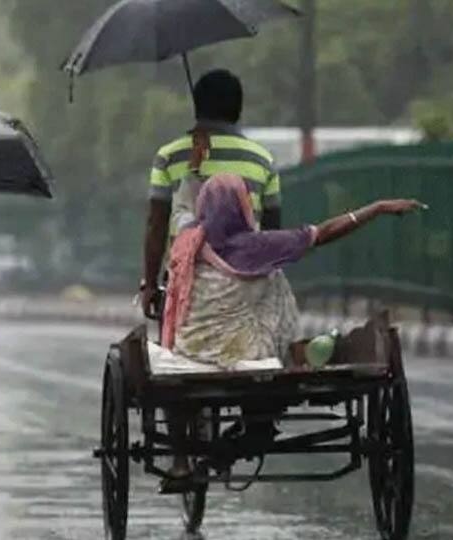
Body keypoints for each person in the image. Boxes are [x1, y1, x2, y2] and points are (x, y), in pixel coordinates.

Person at [157, 173, 423, 491]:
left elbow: (182, 211)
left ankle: (181, 461)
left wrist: (193, 172)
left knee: (167, 379)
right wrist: (377, 207)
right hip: (252, 355)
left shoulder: (188, 240)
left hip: (194, 353)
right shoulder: (262, 245)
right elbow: (324, 232)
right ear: (244, 207)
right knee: (274, 282)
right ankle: (244, 440)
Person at [142, 69, 281, 318]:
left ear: (197, 107)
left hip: (185, 288)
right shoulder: (263, 160)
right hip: (245, 287)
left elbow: (157, 223)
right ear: (238, 109)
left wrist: (150, 284)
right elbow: (272, 231)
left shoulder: (169, 157)